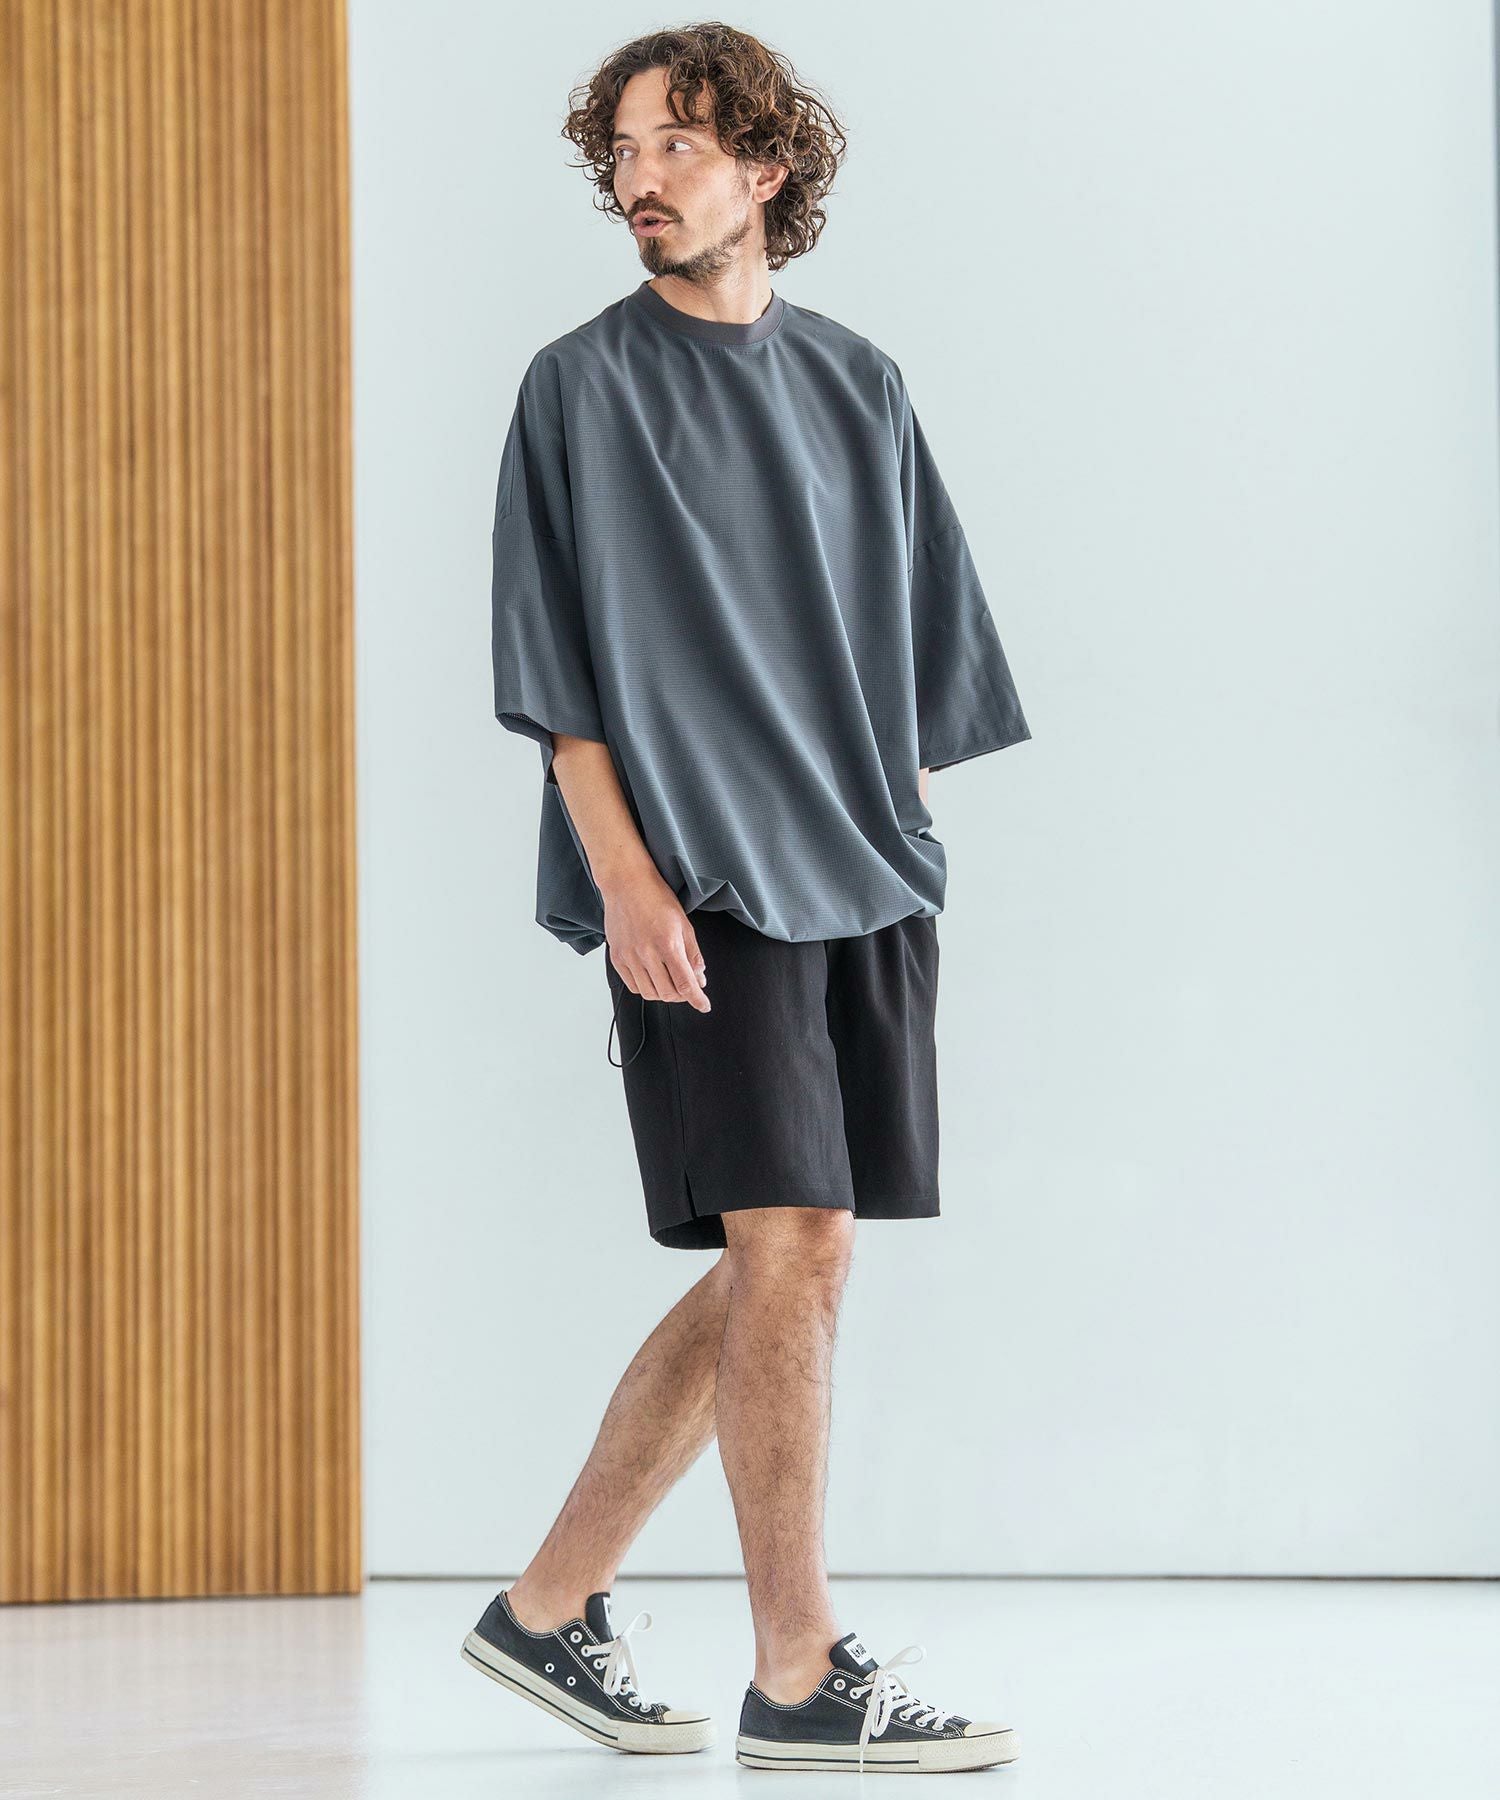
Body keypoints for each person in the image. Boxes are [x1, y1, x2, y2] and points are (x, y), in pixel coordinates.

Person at [461, 22, 1030, 1776]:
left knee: (793, 1261)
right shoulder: (579, 387)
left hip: (861, 877)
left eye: (678, 147)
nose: (638, 179)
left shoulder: (860, 382)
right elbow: (558, 685)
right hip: (698, 884)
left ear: (766, 169)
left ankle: (545, 1608)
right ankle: (801, 1672)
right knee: (788, 1246)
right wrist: (625, 881)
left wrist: (903, 838)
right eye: (622, 150)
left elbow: (924, 656)